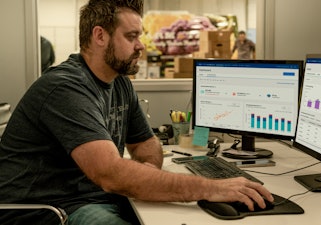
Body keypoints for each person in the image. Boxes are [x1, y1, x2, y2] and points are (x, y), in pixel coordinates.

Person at [0, 1, 273, 224]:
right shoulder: (65, 88)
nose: (141, 45)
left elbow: (146, 146)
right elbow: (111, 174)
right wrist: (211, 188)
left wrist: (143, 177)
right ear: (100, 36)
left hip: (95, 196)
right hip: (49, 208)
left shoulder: (119, 82)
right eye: (131, 37)